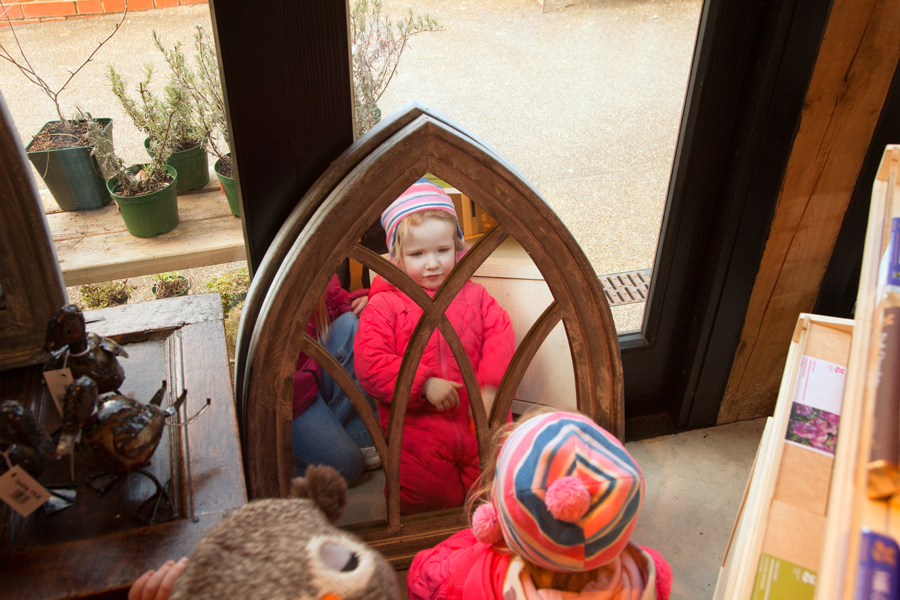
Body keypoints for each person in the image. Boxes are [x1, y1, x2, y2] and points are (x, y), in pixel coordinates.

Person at [354, 177, 516, 514]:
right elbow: (370, 363)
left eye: (442, 250)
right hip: (417, 433)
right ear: (396, 258)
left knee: (494, 490)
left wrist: (488, 387)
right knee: (426, 503)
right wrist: (423, 383)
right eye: (417, 254)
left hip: (475, 419)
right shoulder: (384, 306)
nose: (432, 263)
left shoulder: (473, 295)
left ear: (458, 249)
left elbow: (500, 333)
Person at [406, 410, 673, 600]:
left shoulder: (458, 574)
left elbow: (421, 576)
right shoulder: (651, 573)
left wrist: (483, 544)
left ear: (497, 516)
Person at [292, 274, 380, 484]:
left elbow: (337, 304)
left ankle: (359, 436)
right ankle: (281, 466)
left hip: (310, 377)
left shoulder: (320, 272)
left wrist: (368, 301)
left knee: (352, 322)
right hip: (291, 400)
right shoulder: (283, 284)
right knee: (347, 466)